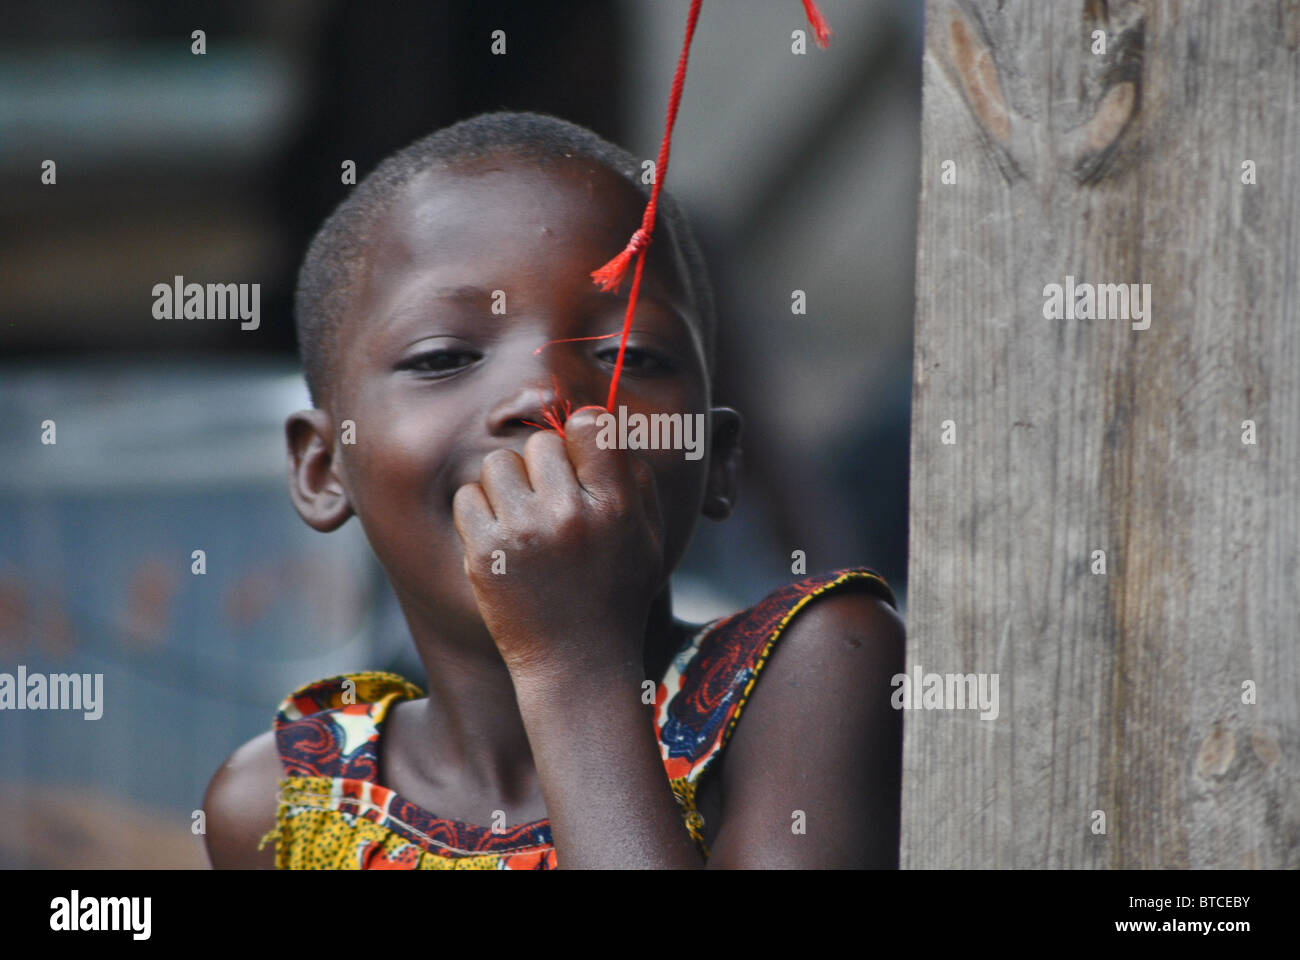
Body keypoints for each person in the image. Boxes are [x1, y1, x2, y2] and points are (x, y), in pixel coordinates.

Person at [202, 110, 904, 869]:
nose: (543, 393)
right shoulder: (281, 805)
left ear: (719, 458)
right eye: (442, 357)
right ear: (320, 467)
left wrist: (571, 665)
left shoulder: (816, 671)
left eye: (628, 354)